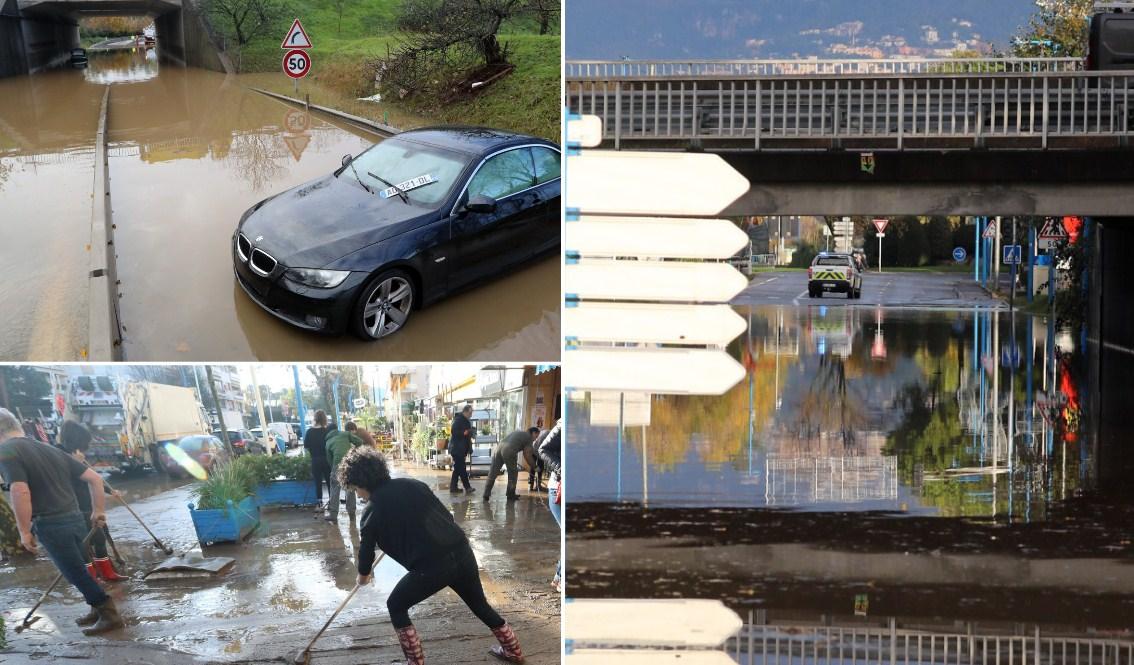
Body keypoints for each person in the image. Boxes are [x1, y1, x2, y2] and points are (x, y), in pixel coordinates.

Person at [338, 447, 525, 664]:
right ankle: (513, 651)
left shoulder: (372, 510)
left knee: (396, 606)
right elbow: (445, 516)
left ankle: (415, 662)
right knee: (479, 604)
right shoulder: (413, 485)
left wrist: (362, 576)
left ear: (361, 482)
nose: (357, 493)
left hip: (431, 568)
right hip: (462, 551)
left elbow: (366, 550)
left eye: (355, 488)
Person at [0, 408, 125, 635]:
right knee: (80, 568)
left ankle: (109, 615)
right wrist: (98, 511)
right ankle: (95, 609)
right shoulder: (47, 448)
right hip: (75, 517)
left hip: (51, 523)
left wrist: (24, 530)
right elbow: (95, 479)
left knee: (73, 572)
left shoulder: (7, 450)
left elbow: (19, 491)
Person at [57, 421, 126, 581]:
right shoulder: (60, 455)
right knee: (83, 545)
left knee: (99, 539)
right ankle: (92, 578)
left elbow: (92, 478)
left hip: (88, 506)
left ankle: (108, 573)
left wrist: (110, 490)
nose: (86, 447)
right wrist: (76, 462)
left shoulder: (75, 455)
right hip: (73, 508)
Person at [538, 419, 562, 593]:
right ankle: (561, 580)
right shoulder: (566, 422)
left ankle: (559, 577)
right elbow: (543, 449)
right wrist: (564, 470)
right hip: (560, 488)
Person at [482, 428, 539, 502]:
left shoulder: (519, 432)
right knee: (513, 473)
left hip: (498, 448)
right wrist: (535, 467)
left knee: (493, 472)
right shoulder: (529, 438)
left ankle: (486, 494)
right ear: (533, 432)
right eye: (536, 436)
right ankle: (510, 494)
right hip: (509, 450)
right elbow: (527, 455)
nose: (536, 439)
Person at [325, 421, 363, 521]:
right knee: (350, 488)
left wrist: (334, 469)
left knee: (334, 489)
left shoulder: (328, 442)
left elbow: (329, 460)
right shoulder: (345, 434)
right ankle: (352, 513)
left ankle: (333, 515)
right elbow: (359, 442)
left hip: (336, 465)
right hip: (349, 464)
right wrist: (353, 451)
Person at [303, 410, 332, 513]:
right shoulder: (327, 431)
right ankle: (331, 504)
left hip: (315, 460)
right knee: (329, 482)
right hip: (326, 459)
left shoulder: (309, 431)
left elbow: (306, 446)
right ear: (324, 419)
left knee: (318, 483)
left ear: (315, 419)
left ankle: (319, 505)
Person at [448, 405, 475, 494]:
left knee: (458, 469)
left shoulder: (465, 420)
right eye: (470, 413)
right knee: (462, 468)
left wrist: (469, 448)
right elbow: (454, 431)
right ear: (466, 411)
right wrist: (465, 432)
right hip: (457, 449)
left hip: (461, 449)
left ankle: (453, 487)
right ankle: (467, 487)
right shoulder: (458, 419)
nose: (471, 415)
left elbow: (467, 437)